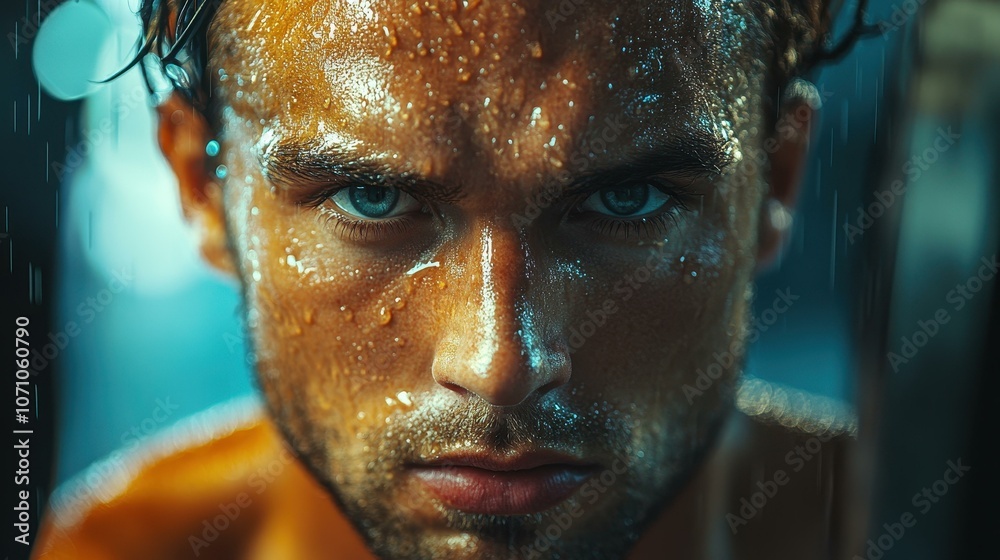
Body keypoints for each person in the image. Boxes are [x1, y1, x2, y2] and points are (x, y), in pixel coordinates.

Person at [35, 0, 862, 558]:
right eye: (375, 197)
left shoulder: (926, 524)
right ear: (202, 188)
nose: (501, 364)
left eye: (626, 197)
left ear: (776, 180)